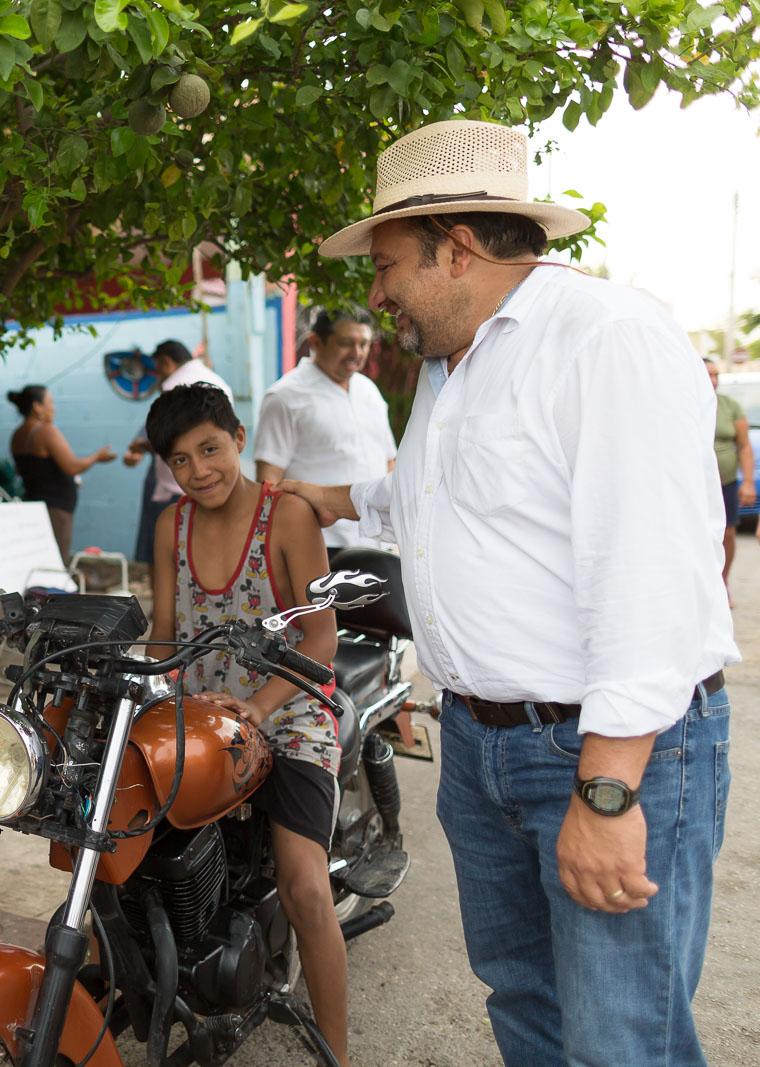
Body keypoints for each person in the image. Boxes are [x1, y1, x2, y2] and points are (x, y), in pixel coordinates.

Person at [278, 118, 737, 1066]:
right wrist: (328, 498)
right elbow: (440, 494)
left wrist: (607, 789)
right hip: (484, 749)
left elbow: (647, 572)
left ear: (457, 249)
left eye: (388, 265)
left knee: (621, 1042)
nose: (376, 295)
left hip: (596, 747)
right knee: (526, 1006)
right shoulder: (453, 365)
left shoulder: (606, 338)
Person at [144, 383, 349, 1065]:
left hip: (287, 712)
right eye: (180, 459)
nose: (199, 469)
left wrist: (259, 706)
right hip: (203, 721)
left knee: (305, 886)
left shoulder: (286, 515)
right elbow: (166, 635)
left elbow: (320, 640)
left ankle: (338, 1053)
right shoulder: (170, 526)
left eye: (210, 448)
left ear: (238, 436)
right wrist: (141, 685)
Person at [254, 309, 396, 549]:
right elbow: (268, 482)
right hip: (319, 545)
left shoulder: (369, 391)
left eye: (364, 344)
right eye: (346, 343)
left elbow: (389, 462)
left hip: (378, 542)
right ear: (315, 342)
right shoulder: (285, 396)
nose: (357, 353)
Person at [122, 340, 232, 564]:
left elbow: (171, 441)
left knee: (165, 560)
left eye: (158, 369)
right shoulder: (217, 381)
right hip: (213, 486)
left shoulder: (174, 388)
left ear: (166, 363)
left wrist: (143, 446)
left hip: (175, 488)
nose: (157, 376)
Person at [6, 386, 116, 562]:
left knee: (37, 560)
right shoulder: (46, 431)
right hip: (54, 509)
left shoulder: (16, 435)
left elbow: (22, 469)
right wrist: (97, 456)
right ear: (37, 406)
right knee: (55, 561)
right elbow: (72, 466)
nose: (54, 408)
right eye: (50, 403)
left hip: (32, 503)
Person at [708, 359, 754, 594]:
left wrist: (747, 482)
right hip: (697, 485)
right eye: (708, 375)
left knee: (728, 533)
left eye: (716, 375)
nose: (713, 381)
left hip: (726, 481)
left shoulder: (729, 406)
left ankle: (722, 585)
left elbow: (744, 446)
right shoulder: (684, 404)